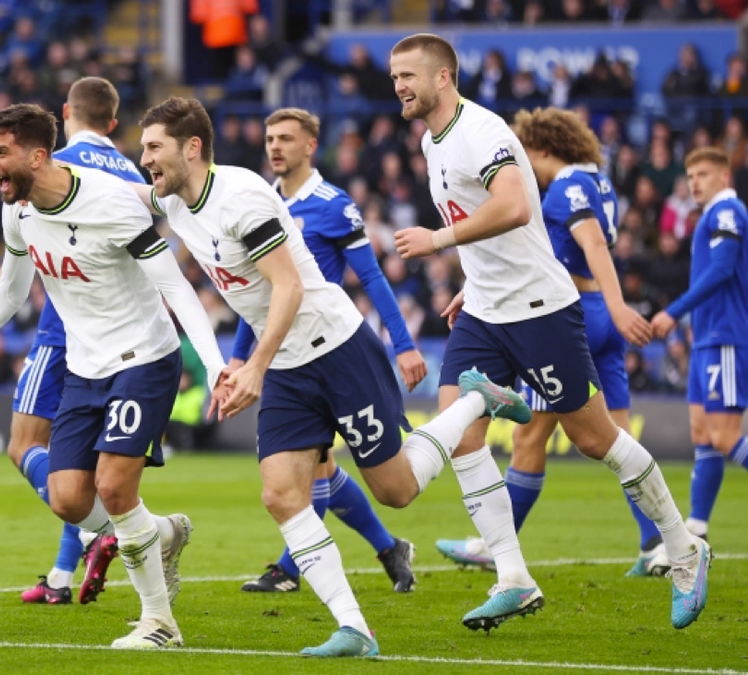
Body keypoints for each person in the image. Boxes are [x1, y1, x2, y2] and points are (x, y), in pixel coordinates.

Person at [132, 95, 534, 657]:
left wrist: (254, 368)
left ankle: (475, 402)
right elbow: (124, 196)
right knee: (280, 494)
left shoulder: (242, 197)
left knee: (395, 491)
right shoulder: (175, 202)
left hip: (337, 348)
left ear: (192, 148)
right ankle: (354, 628)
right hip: (291, 370)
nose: (144, 158)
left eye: (153, 147)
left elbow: (291, 288)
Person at [390, 33, 711, 631]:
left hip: (540, 308)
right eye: (394, 78)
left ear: (443, 77)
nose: (399, 87)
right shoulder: (433, 142)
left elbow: (513, 205)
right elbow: (487, 223)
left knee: (597, 440)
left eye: (408, 75)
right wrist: (471, 278)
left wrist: (436, 242)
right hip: (486, 307)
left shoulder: (481, 131)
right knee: (461, 429)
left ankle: (685, 548)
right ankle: (513, 577)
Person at [0, 102, 229, 650]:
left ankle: (160, 623)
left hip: (143, 359)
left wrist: (218, 364)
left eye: (0, 153)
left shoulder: (111, 205)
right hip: (83, 365)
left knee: (113, 487)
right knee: (68, 497)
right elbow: (10, 290)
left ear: (38, 154)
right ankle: (165, 533)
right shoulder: (18, 210)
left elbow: (176, 288)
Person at [0, 77, 181, 607]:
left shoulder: (56, 163)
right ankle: (63, 570)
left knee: (27, 448)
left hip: (68, 332)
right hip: (130, 329)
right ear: (116, 124)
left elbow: (24, 254)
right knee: (77, 469)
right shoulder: (128, 167)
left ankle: (108, 539)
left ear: (65, 113)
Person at [434, 107, 671, 578]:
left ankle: (494, 546)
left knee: (529, 438)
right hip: (600, 316)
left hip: (567, 314)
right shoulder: (602, 183)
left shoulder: (565, 188)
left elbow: (591, 247)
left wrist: (620, 304)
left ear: (541, 149)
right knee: (615, 438)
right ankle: (657, 544)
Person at [232, 107, 428, 595]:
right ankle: (384, 549)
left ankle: (292, 568)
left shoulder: (332, 204)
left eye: (285, 139)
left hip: (330, 350)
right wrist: (238, 358)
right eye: (270, 138)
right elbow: (253, 294)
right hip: (284, 354)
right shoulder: (258, 202)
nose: (274, 146)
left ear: (310, 146)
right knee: (316, 468)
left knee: (328, 474)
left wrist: (403, 344)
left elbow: (373, 277)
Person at [650, 146, 748, 543]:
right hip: (706, 337)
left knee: (725, 437)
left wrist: (675, 311)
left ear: (724, 176)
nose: (695, 183)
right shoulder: (708, 216)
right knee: (702, 435)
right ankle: (698, 527)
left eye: (703, 174)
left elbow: (723, 270)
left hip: (724, 336)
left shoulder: (727, 211)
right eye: (690, 176)